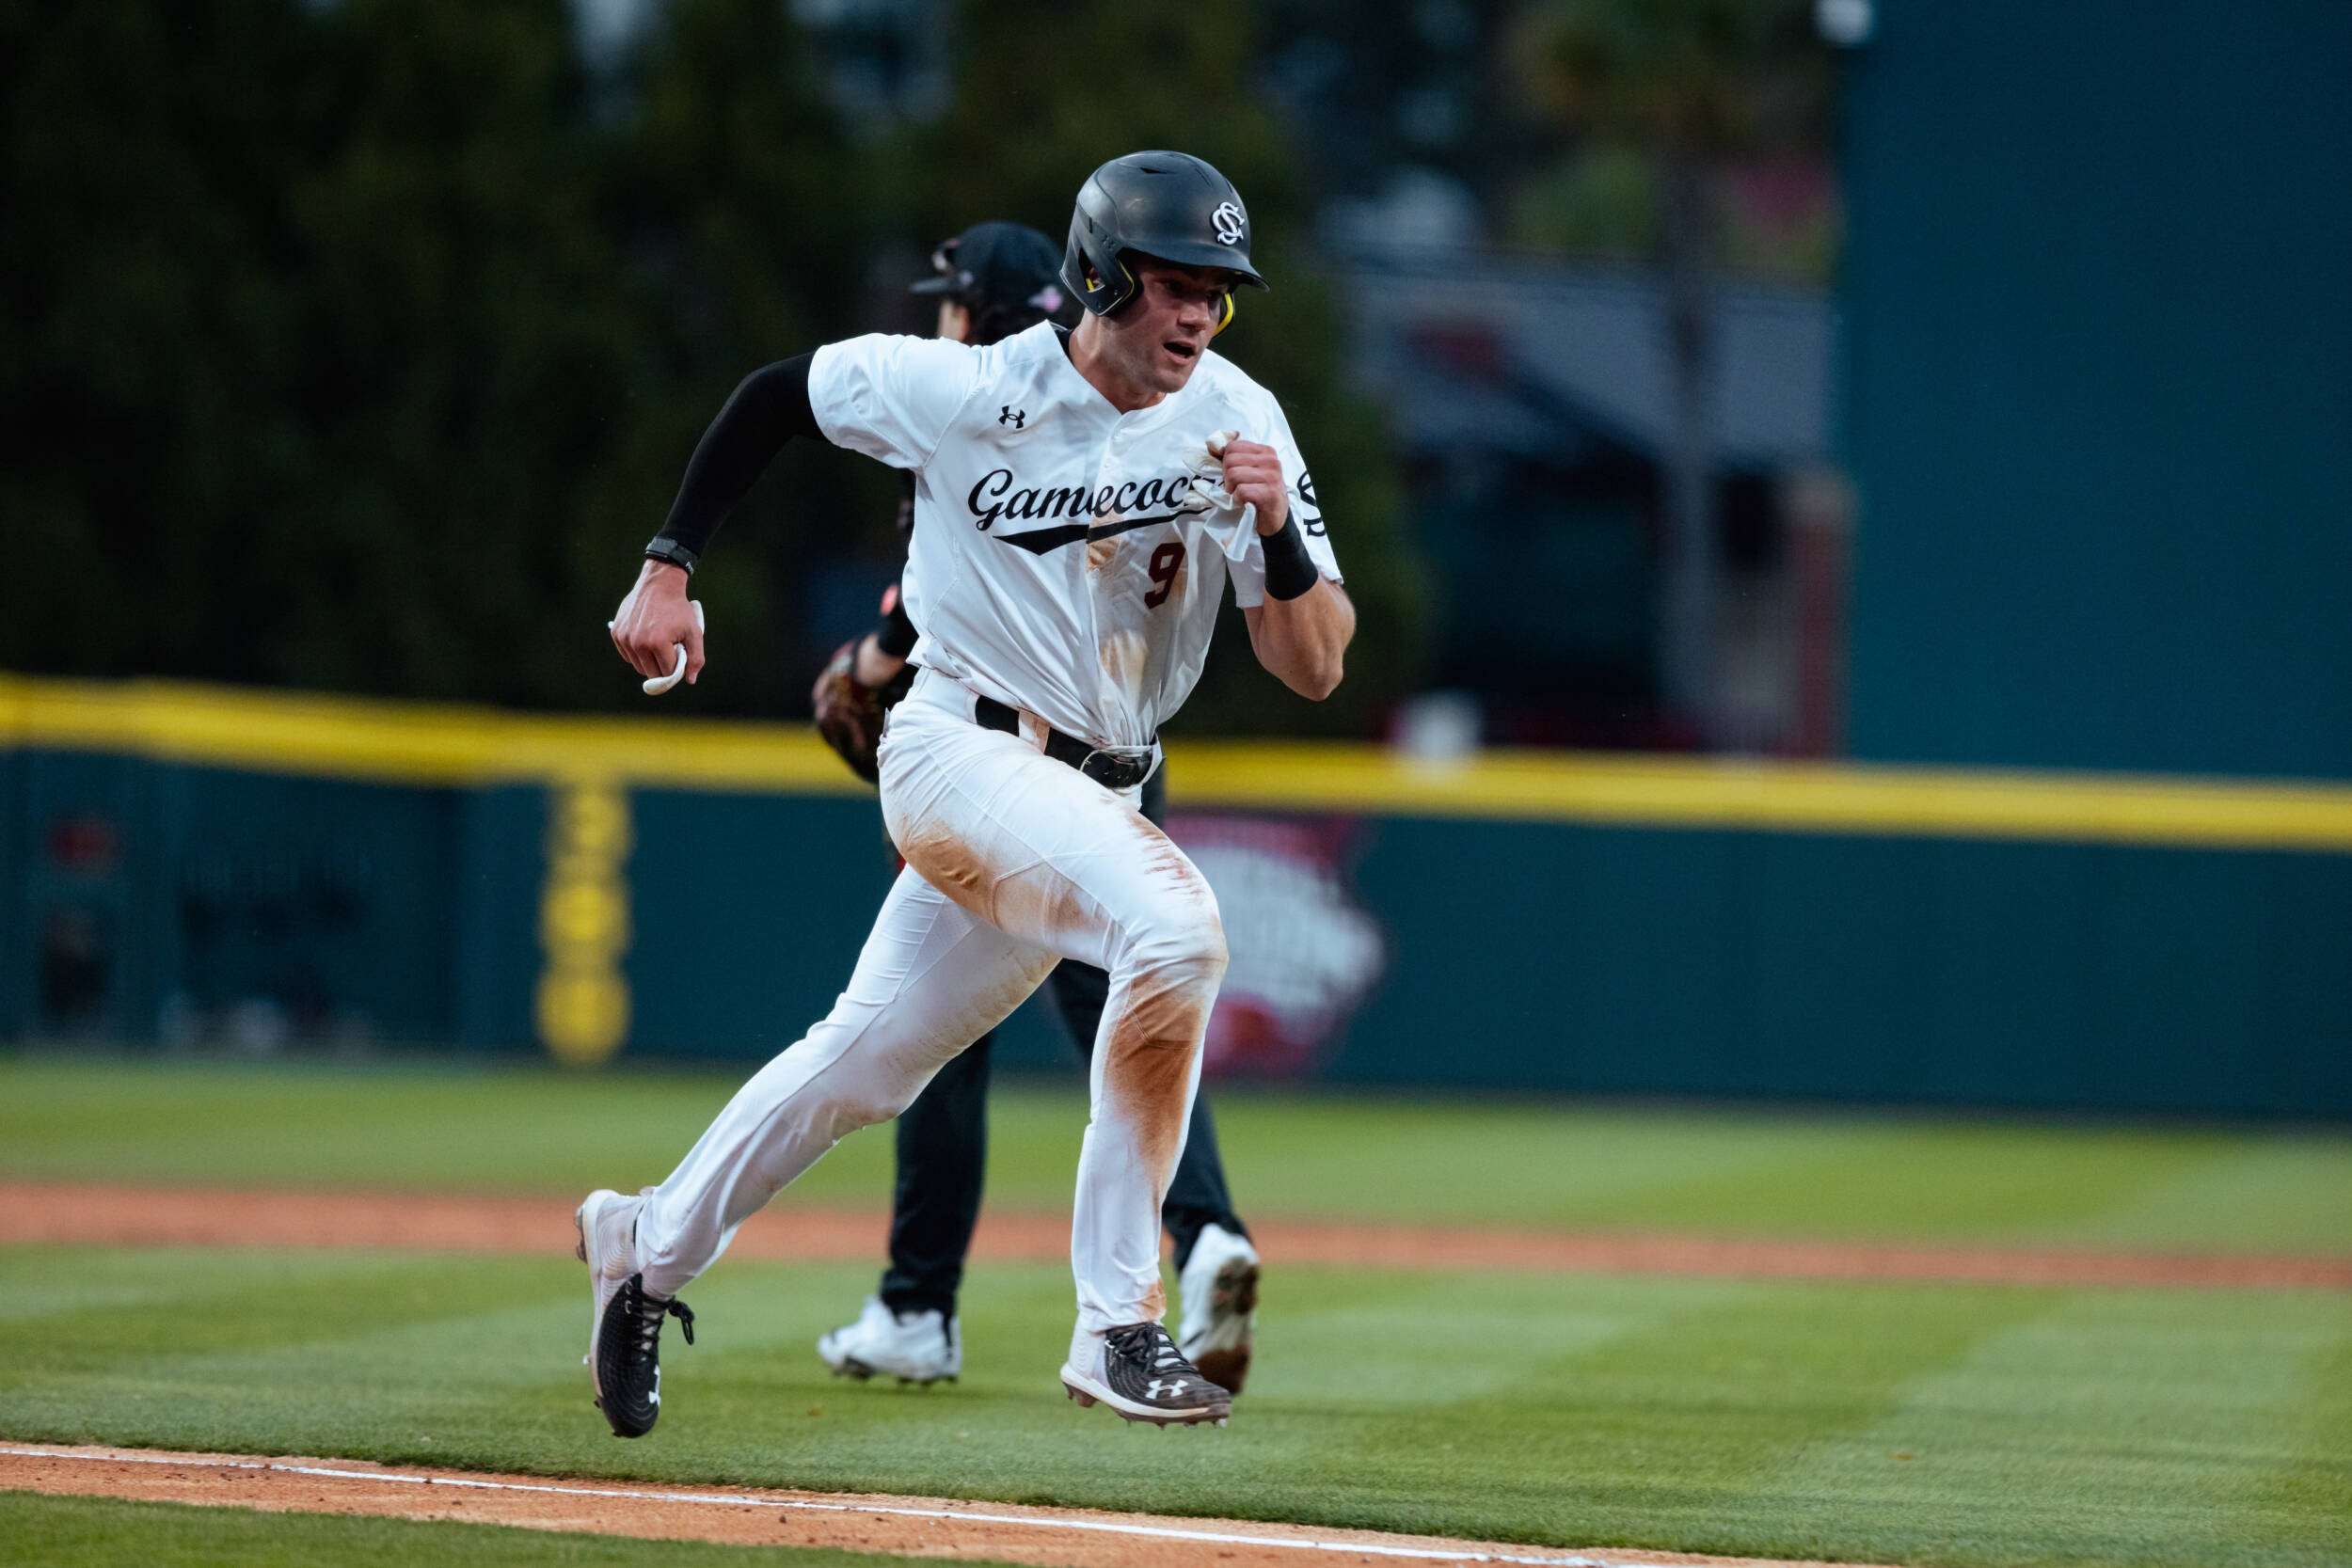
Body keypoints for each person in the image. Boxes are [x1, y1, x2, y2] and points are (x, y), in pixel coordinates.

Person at [587, 150, 1352, 1437]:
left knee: (862, 1064)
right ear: (1103, 270)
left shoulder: (1241, 418)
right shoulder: (975, 385)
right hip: (957, 748)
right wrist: (668, 567)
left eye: (1219, 290)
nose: (1200, 313)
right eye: (1176, 281)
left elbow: (1316, 665)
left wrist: (1275, 538)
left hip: (1100, 787)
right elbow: (777, 396)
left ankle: (642, 1248)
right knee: (1174, 926)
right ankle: (1119, 1323)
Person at [806, 221, 1262, 1397]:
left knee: (962, 1034)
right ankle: (1204, 1229)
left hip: (1022, 758)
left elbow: (952, 586)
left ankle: (922, 1305)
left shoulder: (992, 398)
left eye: (954, 298)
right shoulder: (1111, 399)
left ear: (995, 305)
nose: (941, 315)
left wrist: (868, 662)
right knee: (1137, 991)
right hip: (1115, 750)